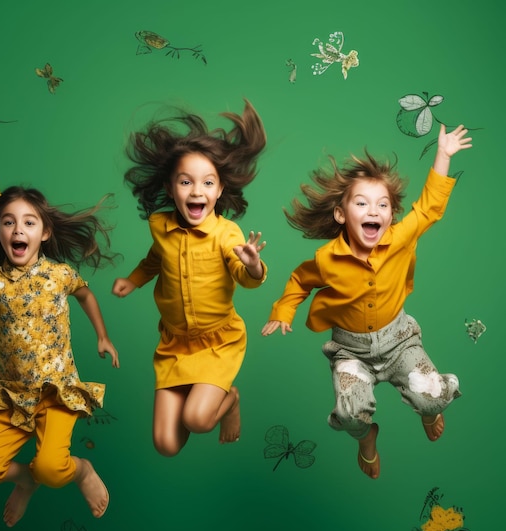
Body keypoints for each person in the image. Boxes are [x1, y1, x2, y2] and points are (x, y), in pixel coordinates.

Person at [262, 124, 472, 479]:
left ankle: (428, 409)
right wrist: (283, 310)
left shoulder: (401, 237)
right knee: (349, 415)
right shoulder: (328, 258)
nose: (373, 210)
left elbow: (430, 208)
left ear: (390, 215)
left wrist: (444, 154)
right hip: (351, 351)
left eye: (382, 204)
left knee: (433, 396)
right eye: (361, 203)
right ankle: (367, 438)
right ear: (342, 215)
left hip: (400, 341)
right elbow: (300, 279)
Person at [0, 167, 120, 526]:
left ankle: (83, 471)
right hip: (12, 396)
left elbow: (85, 294)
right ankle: (24, 481)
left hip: (56, 392)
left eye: (29, 223)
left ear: (44, 233)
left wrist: (102, 335)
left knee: (53, 470)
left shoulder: (60, 274)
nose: (18, 230)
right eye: (9, 223)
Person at [112, 99, 267, 456]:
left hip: (217, 342)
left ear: (220, 190)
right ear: (170, 188)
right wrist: (133, 280)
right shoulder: (161, 227)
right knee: (167, 444)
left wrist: (254, 264)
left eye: (208, 183)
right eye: (186, 182)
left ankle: (231, 398)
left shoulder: (227, 234)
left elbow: (247, 277)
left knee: (198, 420)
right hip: (174, 345)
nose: (197, 191)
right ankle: (203, 401)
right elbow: (155, 260)